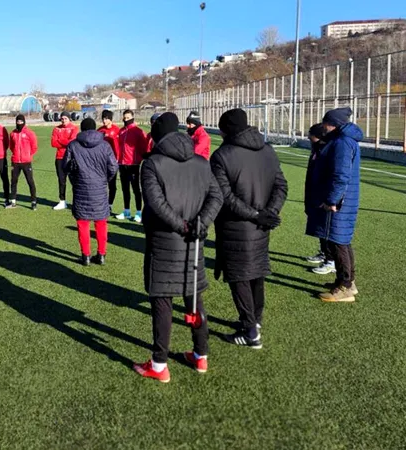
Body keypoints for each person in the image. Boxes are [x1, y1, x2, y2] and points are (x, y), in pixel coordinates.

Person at [133, 112, 222, 382]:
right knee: (193, 296)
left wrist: (185, 226)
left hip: (164, 241)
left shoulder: (152, 164)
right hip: (194, 240)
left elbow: (156, 204)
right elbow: (216, 197)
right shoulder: (200, 162)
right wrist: (200, 224)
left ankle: (159, 364)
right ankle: (200, 355)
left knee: (162, 300)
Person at [210, 109, 288, 349]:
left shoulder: (222, 155)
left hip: (237, 227)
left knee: (240, 277)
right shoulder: (267, 149)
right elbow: (281, 187)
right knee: (256, 273)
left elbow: (225, 197)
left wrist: (257, 214)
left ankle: (250, 330)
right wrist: (268, 213)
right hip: (261, 226)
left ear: (224, 130)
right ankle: (256, 320)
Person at [306, 108, 363, 303]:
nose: (323, 126)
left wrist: (332, 200)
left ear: (334, 124)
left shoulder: (342, 143)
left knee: (338, 242)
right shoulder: (342, 141)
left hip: (339, 203)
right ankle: (346, 282)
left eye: (326, 123)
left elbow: (341, 176)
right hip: (341, 201)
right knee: (341, 241)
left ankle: (345, 286)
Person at [62, 118, 118, 265]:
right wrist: (104, 180)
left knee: (83, 223)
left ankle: (85, 256)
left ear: (82, 129)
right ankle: (101, 255)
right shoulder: (105, 145)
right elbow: (113, 166)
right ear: (94, 129)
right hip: (99, 188)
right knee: (101, 223)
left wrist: (74, 177)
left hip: (81, 188)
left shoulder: (73, 145)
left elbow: (65, 166)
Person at [304, 124, 335, 275]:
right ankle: (324, 254)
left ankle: (331, 261)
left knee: (327, 228)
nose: (308, 137)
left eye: (310, 134)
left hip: (324, 196)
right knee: (319, 227)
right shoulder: (316, 150)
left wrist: (329, 198)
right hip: (315, 194)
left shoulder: (326, 150)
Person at [116, 109, 148, 222]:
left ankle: (139, 212)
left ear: (133, 117)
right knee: (125, 189)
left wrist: (138, 159)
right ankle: (126, 211)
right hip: (122, 164)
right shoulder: (121, 131)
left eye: (128, 118)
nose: (126, 120)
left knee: (135, 189)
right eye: (124, 118)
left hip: (133, 164)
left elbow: (144, 148)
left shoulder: (138, 131)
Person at [8, 114, 38, 210]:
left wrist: (28, 155)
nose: (19, 123)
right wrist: (16, 154)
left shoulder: (30, 133)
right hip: (15, 161)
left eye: (21, 121)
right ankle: (13, 201)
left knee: (30, 181)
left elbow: (34, 147)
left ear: (24, 122)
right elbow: (11, 146)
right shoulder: (13, 133)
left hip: (26, 162)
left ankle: (33, 202)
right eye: (18, 121)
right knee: (13, 181)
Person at [51, 112, 78, 210]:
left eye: (65, 118)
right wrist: (65, 141)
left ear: (69, 119)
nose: (63, 120)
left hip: (71, 157)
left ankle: (76, 202)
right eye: (62, 118)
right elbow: (53, 143)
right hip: (59, 158)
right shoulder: (56, 128)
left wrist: (60, 139)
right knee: (61, 180)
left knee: (74, 181)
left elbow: (72, 142)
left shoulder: (74, 128)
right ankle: (62, 201)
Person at [97, 110, 120, 215]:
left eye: (106, 118)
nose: (104, 120)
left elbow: (119, 147)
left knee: (112, 185)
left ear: (111, 119)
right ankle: (101, 204)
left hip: (113, 162)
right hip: (101, 162)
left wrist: (117, 159)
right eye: (103, 118)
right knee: (101, 184)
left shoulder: (117, 130)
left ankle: (110, 205)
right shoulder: (99, 131)